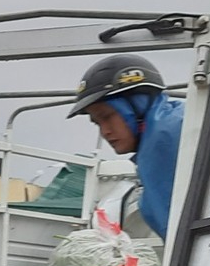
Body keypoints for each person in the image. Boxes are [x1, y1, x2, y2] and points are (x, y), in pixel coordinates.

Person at [67, 54, 186, 240]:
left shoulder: (165, 139)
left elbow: (179, 235)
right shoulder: (176, 123)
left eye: (107, 116)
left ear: (138, 105)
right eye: (97, 123)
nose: (104, 131)